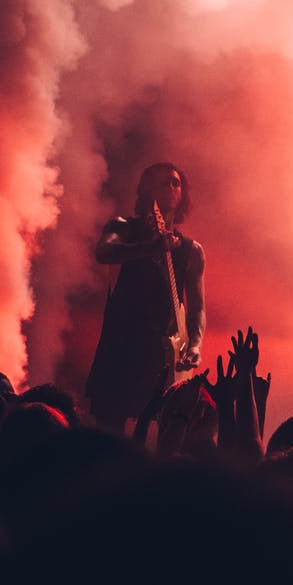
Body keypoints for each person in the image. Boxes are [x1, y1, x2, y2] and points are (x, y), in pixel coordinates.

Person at [85, 162, 205, 433]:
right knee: (109, 430)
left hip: (161, 355)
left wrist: (195, 344)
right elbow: (104, 252)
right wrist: (151, 247)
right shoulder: (123, 227)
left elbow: (197, 306)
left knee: (161, 430)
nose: (171, 187)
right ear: (146, 188)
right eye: (163, 181)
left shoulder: (192, 250)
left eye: (176, 182)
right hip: (120, 347)